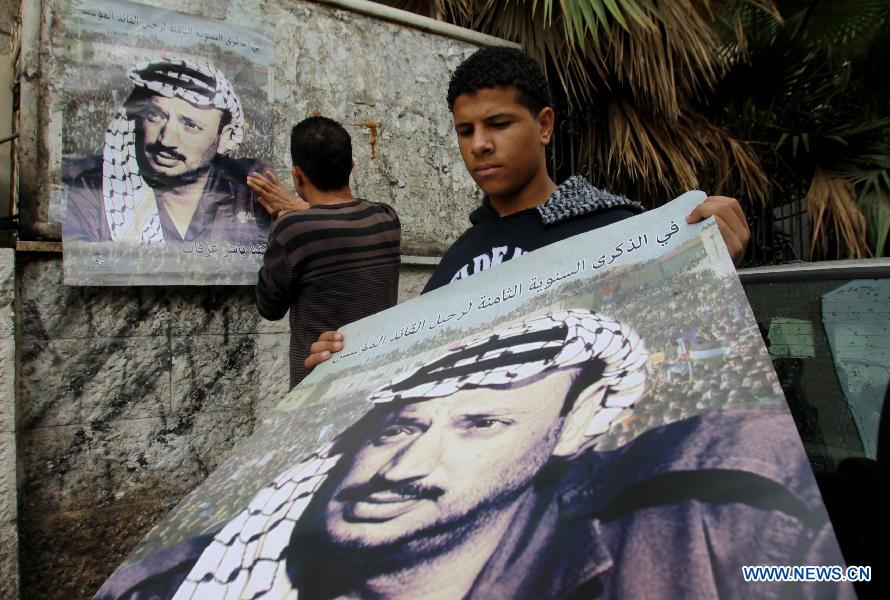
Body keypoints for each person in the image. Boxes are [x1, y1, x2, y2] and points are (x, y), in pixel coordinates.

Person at [95, 310, 849, 599]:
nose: (404, 467)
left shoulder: (716, 517)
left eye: (480, 423)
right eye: (396, 427)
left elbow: (828, 572)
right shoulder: (184, 582)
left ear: (576, 421)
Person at [303, 46, 751, 372]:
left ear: (543, 125)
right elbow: (413, 373)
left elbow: (681, 349)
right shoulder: (456, 261)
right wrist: (346, 361)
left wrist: (709, 271)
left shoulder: (618, 233)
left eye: (498, 124)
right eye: (465, 130)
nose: (479, 144)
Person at [253, 116, 401, 387]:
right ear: (352, 167)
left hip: (319, 383)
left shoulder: (292, 230)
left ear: (297, 174)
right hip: (379, 376)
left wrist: (287, 216)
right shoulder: (386, 218)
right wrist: (300, 208)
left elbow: (269, 307)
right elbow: (339, 222)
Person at [62, 58, 272, 246]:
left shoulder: (248, 195)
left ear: (223, 137)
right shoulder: (97, 193)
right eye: (155, 116)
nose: (166, 140)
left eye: (190, 125)